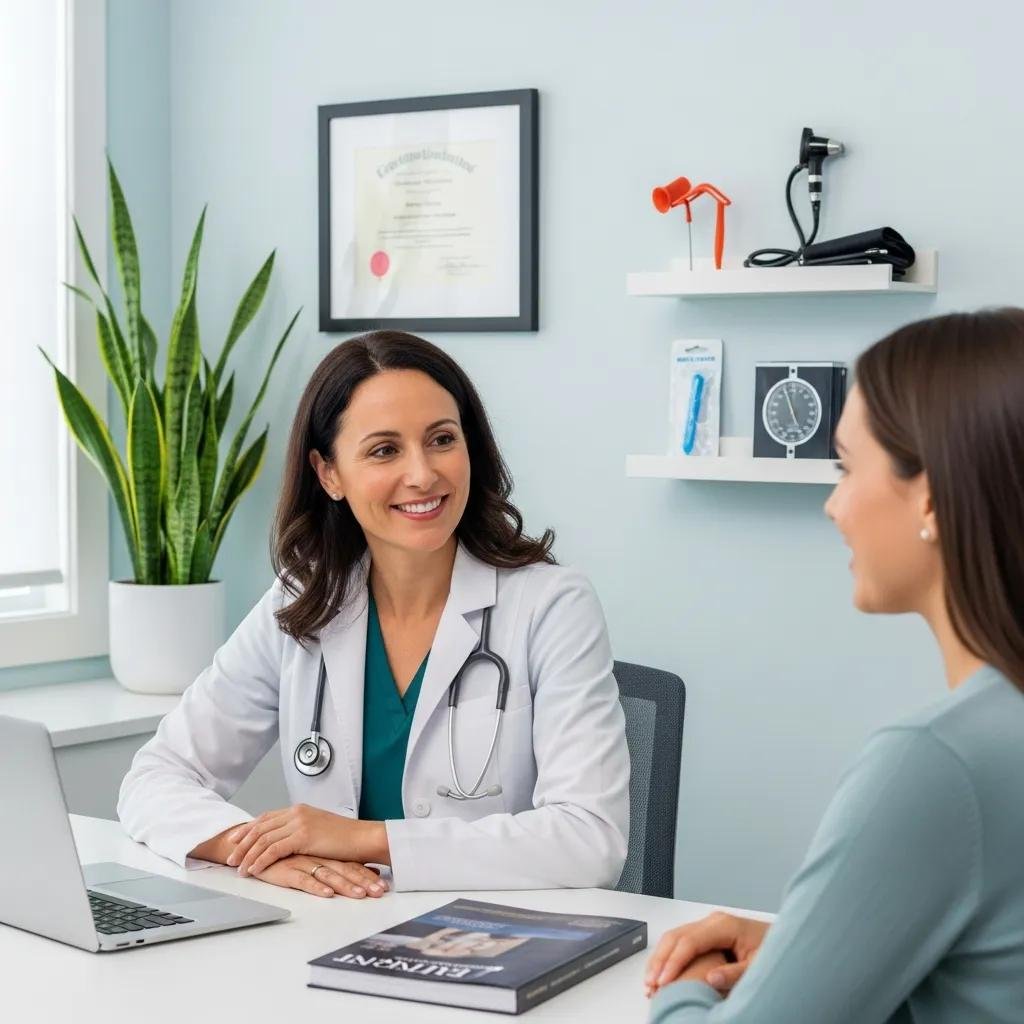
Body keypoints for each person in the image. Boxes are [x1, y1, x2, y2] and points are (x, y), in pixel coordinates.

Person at [118, 330, 629, 900]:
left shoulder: (551, 607)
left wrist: (365, 840)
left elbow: (591, 840)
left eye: (442, 439)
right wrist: (256, 849)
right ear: (329, 473)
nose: (422, 474)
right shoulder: (303, 602)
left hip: (494, 942)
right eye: (385, 450)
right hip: (339, 931)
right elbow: (154, 777)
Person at [646, 309, 1024, 1022]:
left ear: (932, 497)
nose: (833, 505)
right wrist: (809, 950)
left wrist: (683, 990)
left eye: (848, 468)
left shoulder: (941, 763)